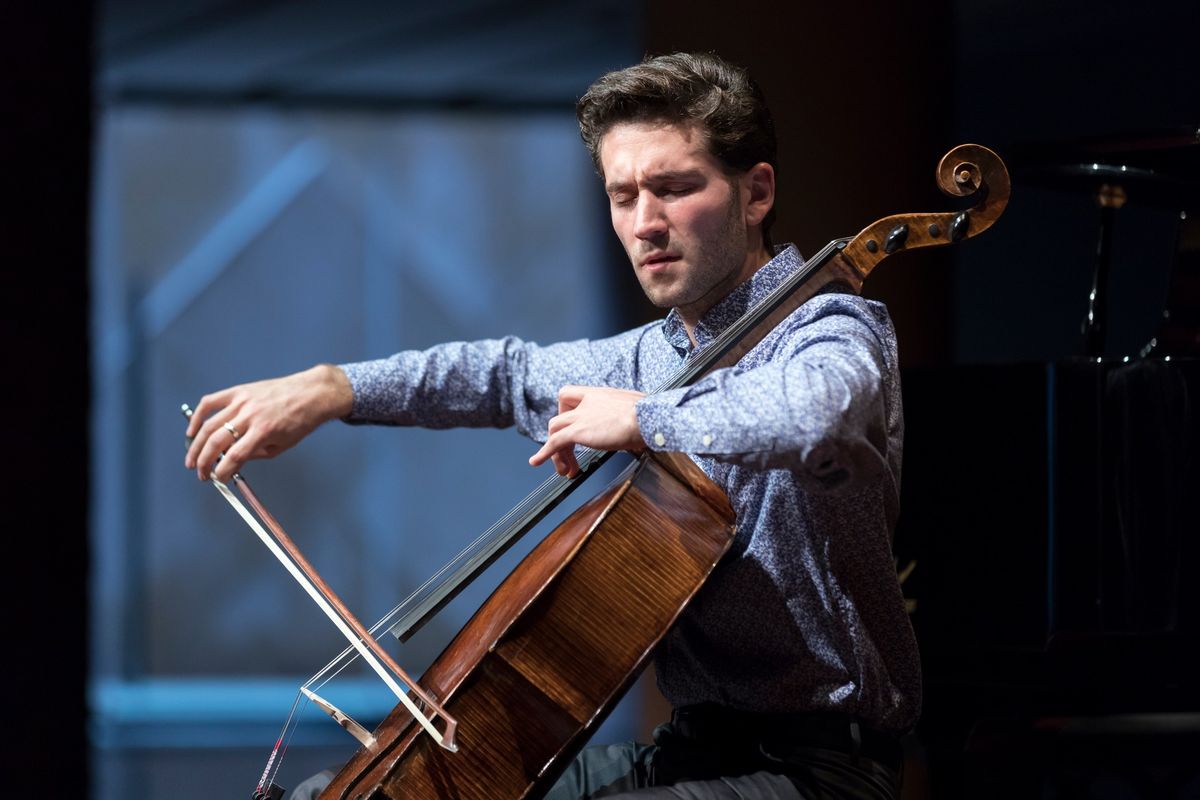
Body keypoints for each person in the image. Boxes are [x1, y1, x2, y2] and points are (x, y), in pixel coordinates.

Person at [185, 52, 919, 800]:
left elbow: (811, 415)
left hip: (820, 768)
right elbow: (500, 375)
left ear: (755, 192)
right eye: (622, 195)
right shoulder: (648, 355)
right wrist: (332, 387)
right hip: (691, 748)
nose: (645, 223)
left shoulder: (830, 328)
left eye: (673, 188)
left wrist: (642, 417)